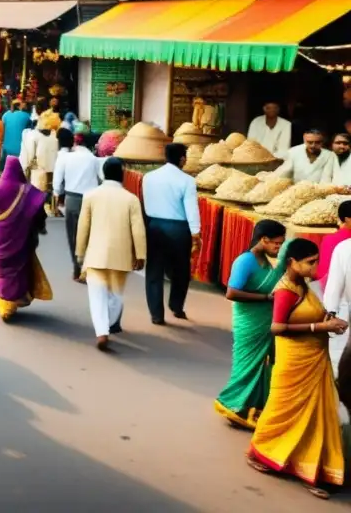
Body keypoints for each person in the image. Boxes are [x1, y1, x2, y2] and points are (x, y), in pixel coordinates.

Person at [248, 239, 346, 500]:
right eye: (310, 262)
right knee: (284, 411)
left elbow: (309, 313)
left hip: (315, 359)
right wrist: (319, 328)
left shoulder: (304, 285)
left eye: (316, 261)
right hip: (294, 362)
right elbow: (277, 328)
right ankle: (262, 451)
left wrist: (328, 320)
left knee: (318, 416)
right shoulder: (285, 289)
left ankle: (316, 468)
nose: (315, 266)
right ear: (292, 262)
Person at [214, 219, 287, 429]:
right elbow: (231, 292)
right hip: (249, 321)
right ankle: (232, 404)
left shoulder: (266, 261)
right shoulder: (245, 261)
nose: (278, 248)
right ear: (263, 240)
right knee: (246, 365)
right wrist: (266, 299)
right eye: (276, 243)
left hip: (266, 320)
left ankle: (252, 408)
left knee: (263, 365)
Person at [75, 157, 145, 350]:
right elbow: (138, 229)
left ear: (103, 174)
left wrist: (80, 252)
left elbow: (83, 227)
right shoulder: (131, 199)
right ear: (122, 175)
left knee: (96, 295)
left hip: (96, 254)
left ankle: (102, 332)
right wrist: (140, 255)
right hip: (121, 257)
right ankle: (109, 323)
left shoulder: (90, 196)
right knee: (115, 296)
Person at [0, 157, 53, 322]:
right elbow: (38, 204)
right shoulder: (27, 190)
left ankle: (5, 306)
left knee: (3, 270)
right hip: (22, 237)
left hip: (2, 237)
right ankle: (13, 302)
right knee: (17, 269)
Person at [142, 143, 200, 324]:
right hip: (179, 229)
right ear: (182, 158)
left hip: (154, 225)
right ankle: (176, 306)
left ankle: (156, 314)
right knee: (181, 270)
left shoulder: (148, 177)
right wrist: (196, 233)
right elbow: (192, 209)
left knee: (154, 271)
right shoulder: (187, 181)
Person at [54, 132, 103, 281]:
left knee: (73, 234)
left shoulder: (66, 157)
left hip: (72, 198)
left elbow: (57, 181)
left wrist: (58, 195)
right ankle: (89, 268)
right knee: (90, 234)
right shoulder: (94, 160)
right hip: (92, 199)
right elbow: (102, 179)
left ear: (75, 143)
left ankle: (77, 267)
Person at [272, 129, 338, 184]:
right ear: (304, 139)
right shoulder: (294, 151)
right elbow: (284, 170)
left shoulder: (329, 155)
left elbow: (326, 177)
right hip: (294, 190)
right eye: (310, 142)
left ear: (322, 141)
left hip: (318, 191)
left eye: (317, 142)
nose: (313, 145)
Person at [1, 101, 30, 166]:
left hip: (7, 147)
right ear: (18, 106)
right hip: (20, 148)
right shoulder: (26, 115)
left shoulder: (5, 115)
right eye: (22, 103)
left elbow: (2, 129)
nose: (24, 104)